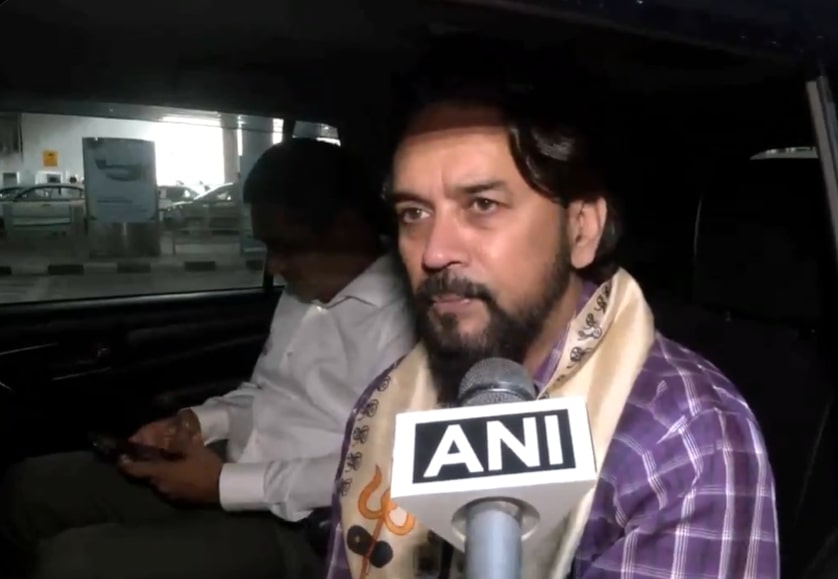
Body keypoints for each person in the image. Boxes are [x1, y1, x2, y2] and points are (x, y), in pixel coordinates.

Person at [322, 76, 780, 577]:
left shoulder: (676, 437)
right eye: (414, 213)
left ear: (581, 230)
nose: (434, 252)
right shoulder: (385, 406)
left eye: (482, 205)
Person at [0, 139, 416, 579]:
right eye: (267, 246)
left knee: (72, 563)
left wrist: (223, 486)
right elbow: (265, 392)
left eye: (286, 246)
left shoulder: (411, 320)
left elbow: (386, 469)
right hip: (230, 467)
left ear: (347, 229)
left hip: (310, 526)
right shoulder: (305, 291)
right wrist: (199, 422)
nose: (274, 267)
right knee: (30, 486)